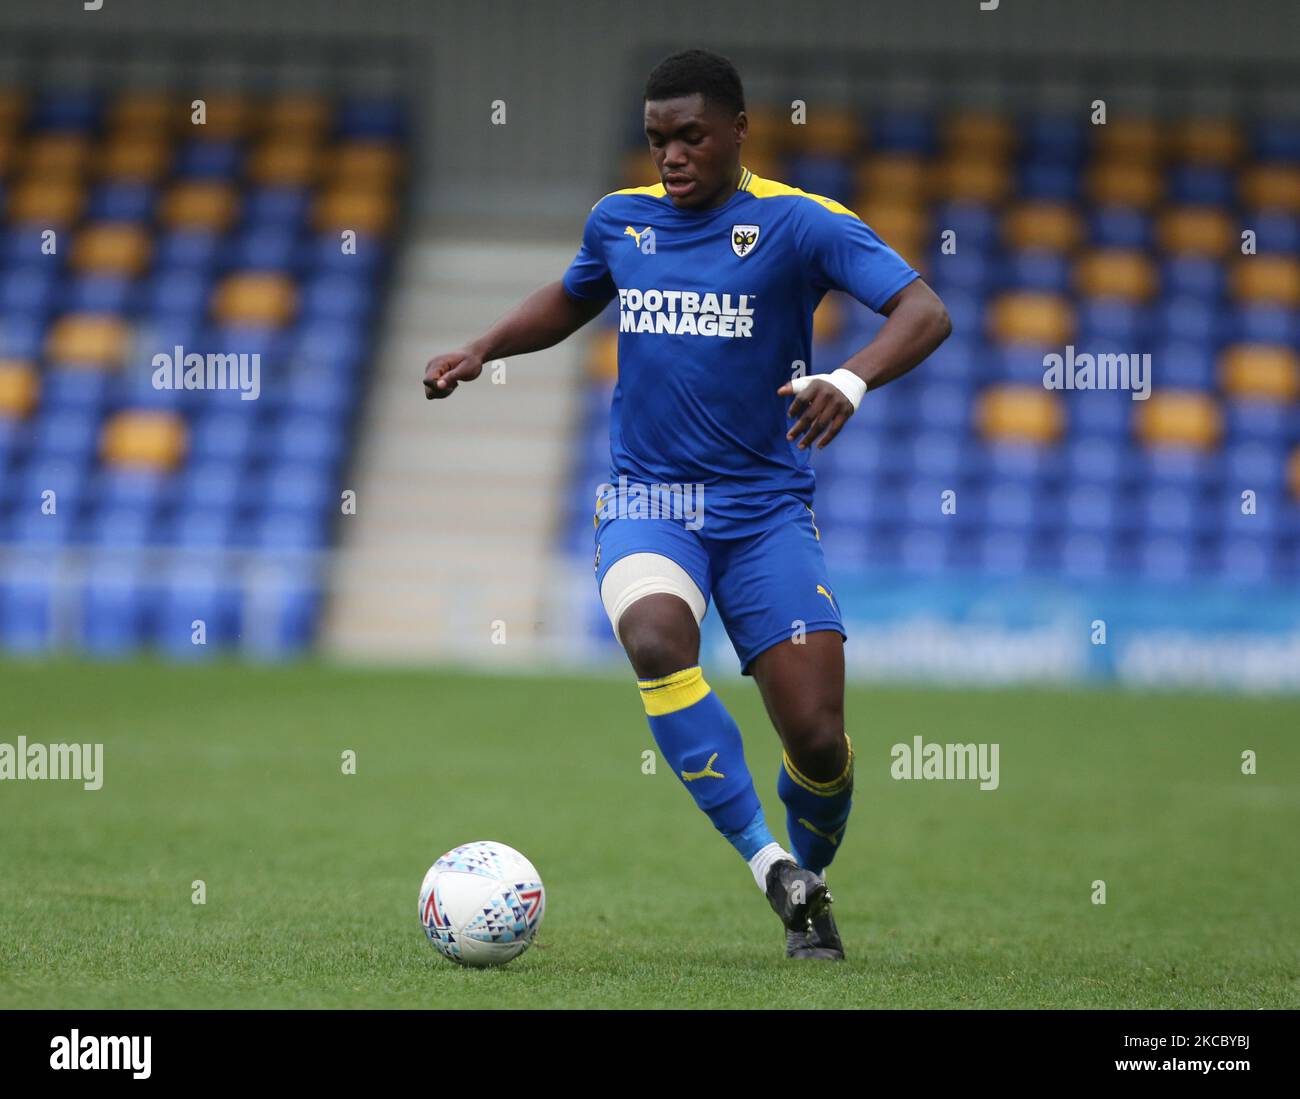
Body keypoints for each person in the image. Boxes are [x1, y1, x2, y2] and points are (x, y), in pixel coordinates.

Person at [425, 48, 951, 959]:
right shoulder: (620, 222)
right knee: (659, 639)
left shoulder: (798, 224)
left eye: (690, 136)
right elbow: (573, 294)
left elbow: (923, 310)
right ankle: (767, 863)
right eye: (658, 139)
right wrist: (485, 347)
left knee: (819, 739)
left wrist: (851, 380)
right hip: (648, 500)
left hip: (766, 510)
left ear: (739, 130)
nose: (671, 155)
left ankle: (810, 889)